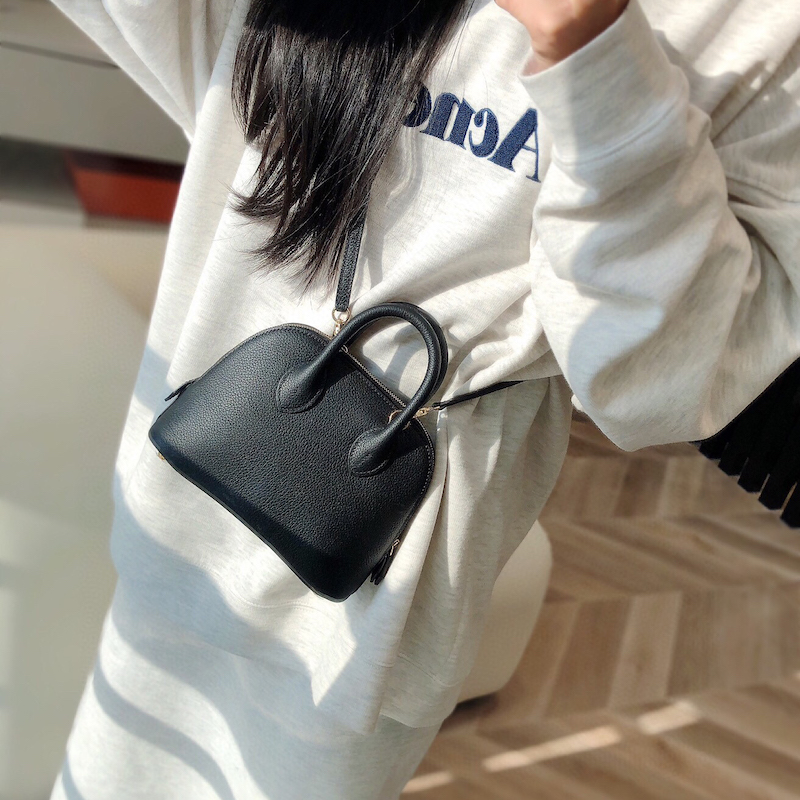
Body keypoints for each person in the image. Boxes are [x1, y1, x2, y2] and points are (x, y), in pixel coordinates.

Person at [48, 0, 800, 798]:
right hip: (168, 544)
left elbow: (668, 381)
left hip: (359, 636)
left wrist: (596, 60)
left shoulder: (757, 25)